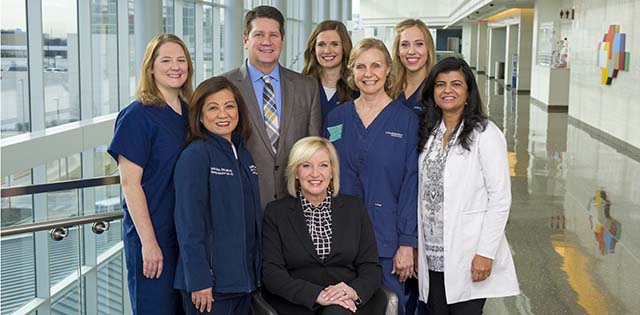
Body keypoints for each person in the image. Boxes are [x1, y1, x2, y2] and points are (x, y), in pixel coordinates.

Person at [416, 57, 520, 314]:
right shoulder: (430, 131)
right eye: (440, 84)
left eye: (455, 84)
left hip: (468, 251)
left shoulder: (486, 133)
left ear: (468, 92)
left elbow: (500, 198)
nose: (447, 90)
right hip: (432, 253)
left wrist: (486, 253)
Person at [324, 38, 419, 315]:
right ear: (352, 72)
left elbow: (411, 184)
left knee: (388, 306)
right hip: (339, 240)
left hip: (387, 241)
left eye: (376, 65)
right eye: (361, 67)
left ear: (389, 69)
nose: (369, 74)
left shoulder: (406, 121)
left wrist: (407, 243)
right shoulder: (336, 119)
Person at [107, 33, 193, 315]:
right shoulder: (136, 116)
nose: (175, 66)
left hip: (187, 237)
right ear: (151, 68)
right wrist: (149, 242)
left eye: (181, 60)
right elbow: (130, 184)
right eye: (166, 60)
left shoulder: (190, 113)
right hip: (153, 237)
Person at [261, 136, 383, 315]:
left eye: (323, 165)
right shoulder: (276, 213)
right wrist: (316, 295)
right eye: (306, 165)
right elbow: (272, 273)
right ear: (295, 172)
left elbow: (371, 267)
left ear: (333, 171)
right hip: (298, 305)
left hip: (347, 303)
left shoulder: (354, 208)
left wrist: (351, 291)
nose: (315, 173)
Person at [173, 77, 261, 315]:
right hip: (210, 288)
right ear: (200, 116)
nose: (223, 114)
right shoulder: (195, 156)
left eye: (229, 106)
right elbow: (188, 224)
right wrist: (200, 280)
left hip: (243, 283)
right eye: (213, 107)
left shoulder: (243, 155)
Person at [223, 5, 322, 210]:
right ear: (245, 40)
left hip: (295, 204)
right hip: (243, 203)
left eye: (273, 35)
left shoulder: (307, 86)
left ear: (282, 41)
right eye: (259, 34)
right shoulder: (224, 86)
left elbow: (314, 149)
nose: (267, 41)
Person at [301, 20, 355, 118]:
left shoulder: (356, 89)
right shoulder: (301, 87)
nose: (327, 51)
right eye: (321, 44)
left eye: (334, 44)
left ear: (344, 47)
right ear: (314, 49)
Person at [390, 19, 436, 115]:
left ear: (428, 48)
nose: (411, 51)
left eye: (419, 44)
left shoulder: (437, 88)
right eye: (405, 45)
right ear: (398, 51)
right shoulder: (389, 87)